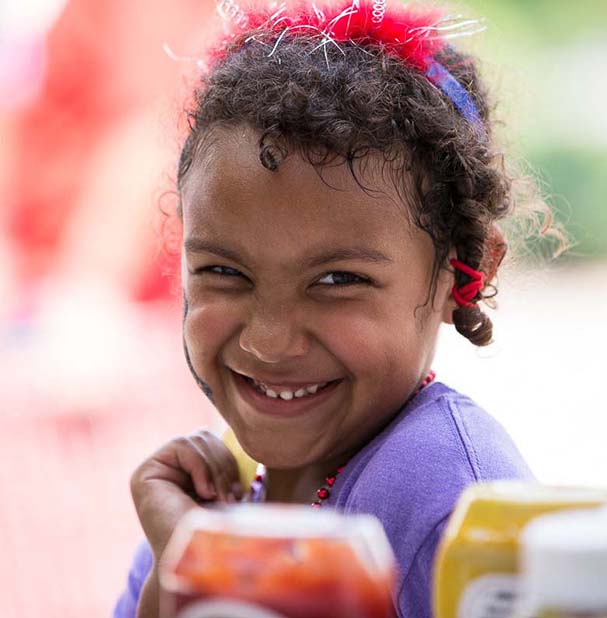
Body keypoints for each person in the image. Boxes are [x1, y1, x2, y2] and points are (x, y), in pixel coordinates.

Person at [114, 1, 565, 616]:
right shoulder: (214, 496)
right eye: (223, 272)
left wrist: (207, 562)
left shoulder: (449, 502)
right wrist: (186, 555)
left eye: (336, 279)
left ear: (464, 271)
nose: (269, 342)